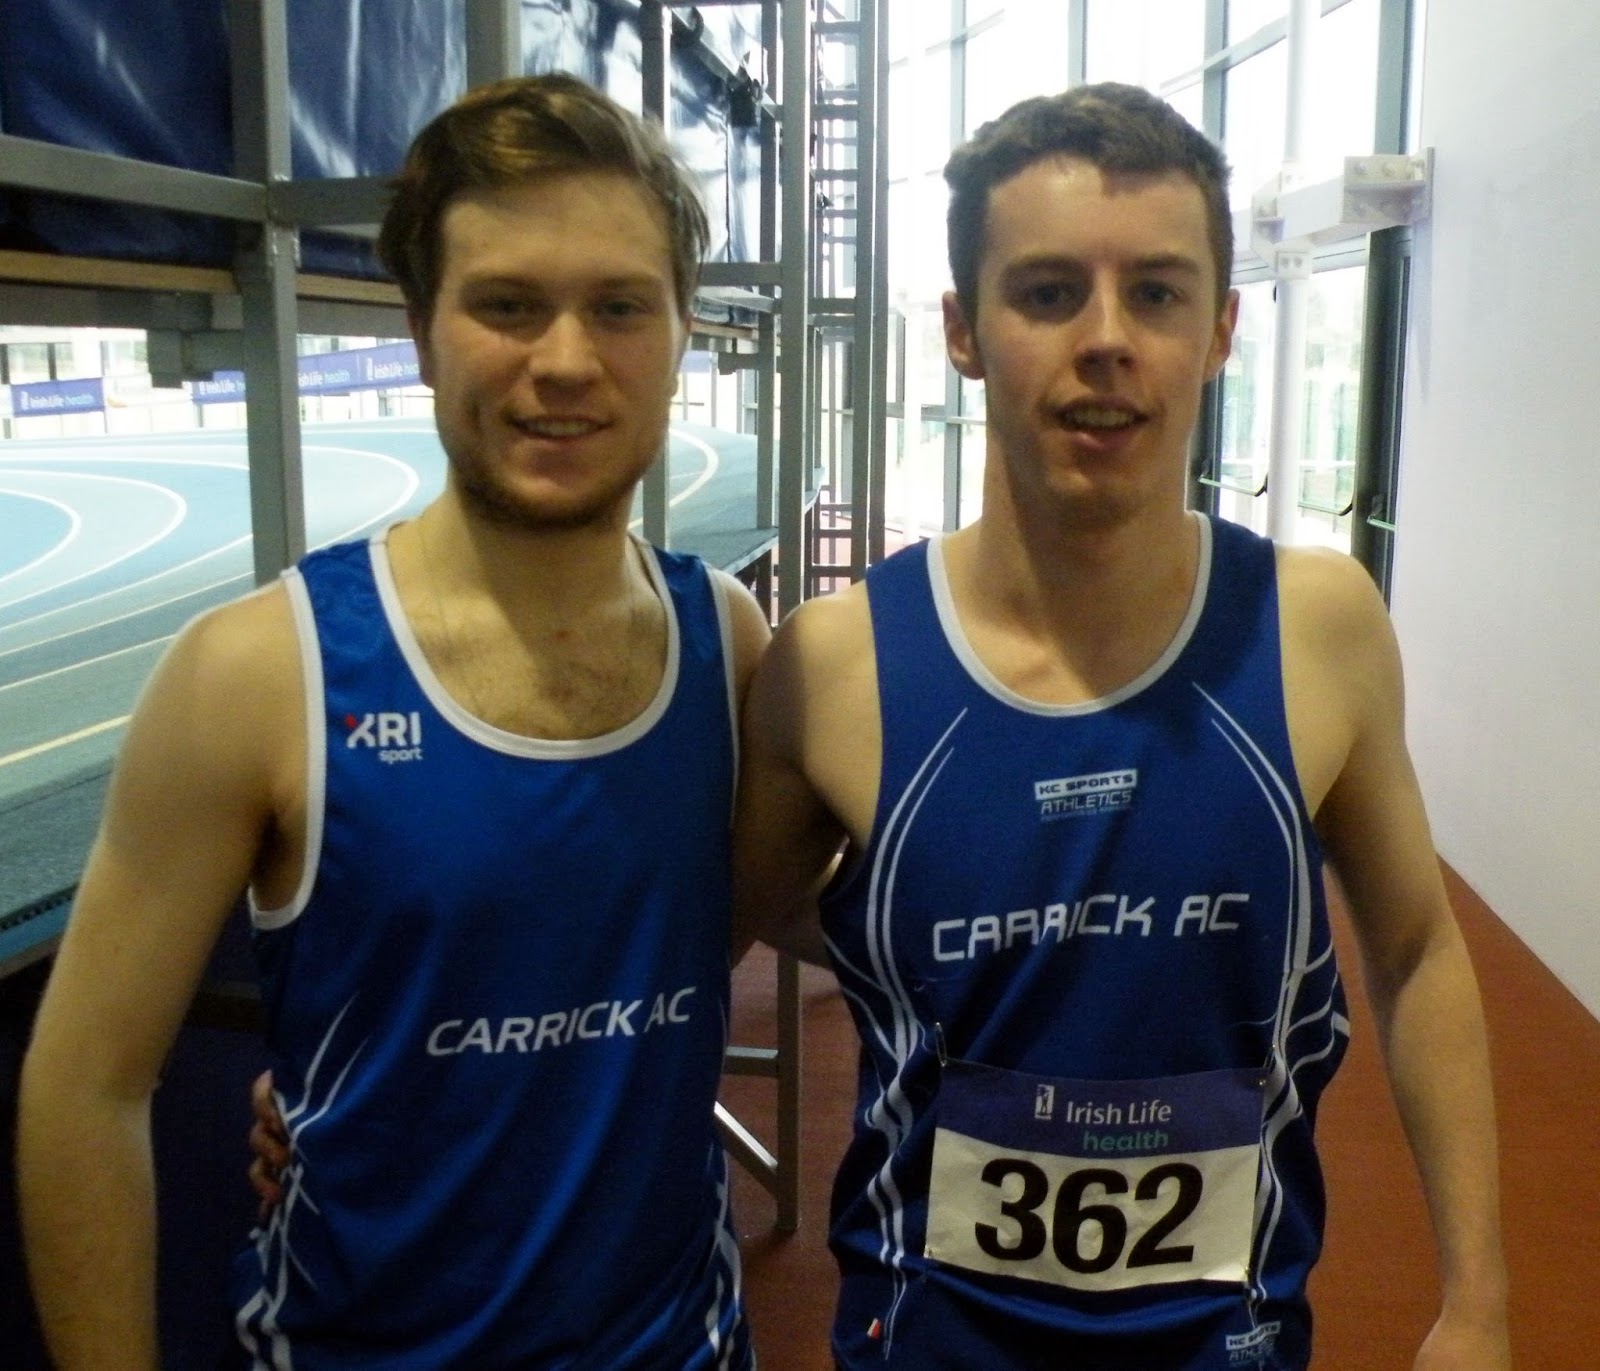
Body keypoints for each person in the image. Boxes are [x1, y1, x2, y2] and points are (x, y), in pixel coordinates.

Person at [732, 84, 1511, 1369]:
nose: (1105, 341)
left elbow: (1418, 948)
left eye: (1154, 293)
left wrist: (1476, 1304)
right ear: (962, 331)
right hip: (929, 1342)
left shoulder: (1317, 628)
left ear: (1218, 330)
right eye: (1047, 293)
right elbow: (727, 922)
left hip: (1228, 1344)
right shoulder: (836, 664)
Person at [18, 73, 767, 1370]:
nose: (566, 361)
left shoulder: (733, 649)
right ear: (421, 331)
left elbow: (718, 928)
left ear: (680, 331)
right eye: (507, 305)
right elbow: (86, 1084)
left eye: (618, 306)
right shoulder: (261, 674)